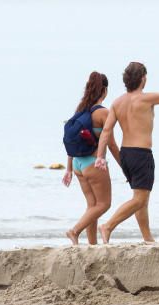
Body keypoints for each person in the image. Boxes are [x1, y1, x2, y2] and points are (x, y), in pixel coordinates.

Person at [93, 62, 159, 244]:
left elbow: (106, 131)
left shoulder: (118, 102)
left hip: (125, 154)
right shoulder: (146, 98)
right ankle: (108, 226)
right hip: (141, 154)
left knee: (141, 198)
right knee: (140, 199)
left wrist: (100, 156)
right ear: (143, 79)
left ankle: (147, 238)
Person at [62, 72, 120, 245]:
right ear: (105, 90)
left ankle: (92, 245)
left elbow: (71, 143)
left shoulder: (80, 111)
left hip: (79, 164)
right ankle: (74, 231)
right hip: (93, 163)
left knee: (92, 206)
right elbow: (112, 145)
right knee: (104, 204)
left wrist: (69, 169)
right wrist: (125, 167)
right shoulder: (103, 113)